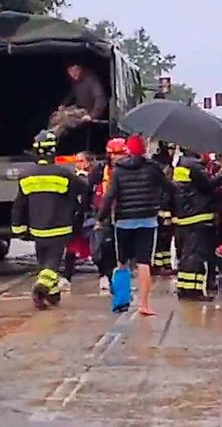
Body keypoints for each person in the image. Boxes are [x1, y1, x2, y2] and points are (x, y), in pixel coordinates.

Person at [96, 134, 173, 316]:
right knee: (144, 263)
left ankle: (121, 301)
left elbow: (109, 197)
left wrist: (100, 218)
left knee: (122, 263)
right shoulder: (153, 169)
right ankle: (144, 305)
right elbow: (170, 188)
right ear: (144, 150)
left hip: (123, 222)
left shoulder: (119, 171)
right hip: (147, 221)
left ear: (128, 150)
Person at [11, 130, 87, 310]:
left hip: (37, 229)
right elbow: (83, 189)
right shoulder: (63, 174)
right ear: (53, 151)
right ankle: (41, 289)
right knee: (52, 263)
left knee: (43, 262)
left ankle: (53, 296)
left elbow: (19, 205)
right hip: (60, 228)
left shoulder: (26, 176)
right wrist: (82, 175)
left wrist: (18, 228)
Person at [173, 146, 222, 301]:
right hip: (197, 216)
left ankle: (185, 288)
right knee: (196, 255)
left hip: (186, 215)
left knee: (187, 255)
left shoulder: (182, 164)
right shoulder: (194, 166)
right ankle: (194, 291)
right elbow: (207, 185)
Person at [87, 138, 125, 291]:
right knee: (101, 247)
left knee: (121, 248)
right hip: (103, 212)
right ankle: (105, 273)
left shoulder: (128, 169)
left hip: (123, 212)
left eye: (120, 154)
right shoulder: (100, 170)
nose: (117, 157)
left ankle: (116, 276)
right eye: (114, 154)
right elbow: (89, 189)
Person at [61, 152, 95, 287]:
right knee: (72, 248)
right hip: (75, 217)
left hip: (89, 217)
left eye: (81, 161)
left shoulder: (94, 177)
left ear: (88, 163)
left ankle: (106, 275)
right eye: (77, 161)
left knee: (98, 248)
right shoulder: (72, 177)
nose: (78, 164)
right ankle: (67, 276)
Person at [48, 64, 108, 137]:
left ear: (80, 69)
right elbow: (72, 93)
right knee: (55, 116)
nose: (72, 74)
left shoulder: (91, 79)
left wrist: (92, 115)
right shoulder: (76, 81)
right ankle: (47, 136)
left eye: (75, 70)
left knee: (66, 122)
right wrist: (64, 104)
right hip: (76, 108)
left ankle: (51, 139)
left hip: (87, 111)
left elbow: (101, 99)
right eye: (70, 71)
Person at [151, 141, 177, 275]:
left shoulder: (165, 163)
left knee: (166, 238)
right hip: (160, 206)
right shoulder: (160, 165)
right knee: (161, 237)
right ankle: (157, 265)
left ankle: (166, 264)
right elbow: (163, 188)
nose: (173, 151)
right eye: (171, 148)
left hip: (165, 205)